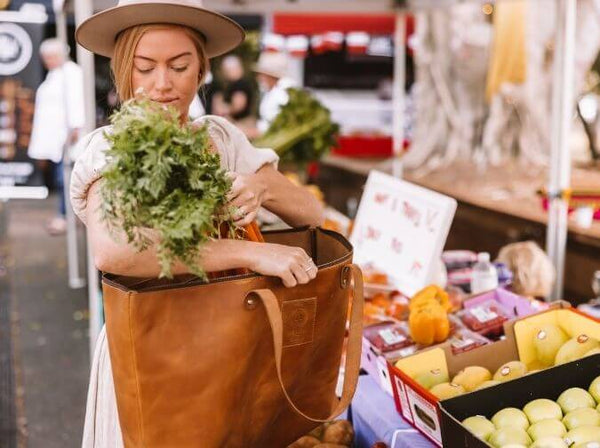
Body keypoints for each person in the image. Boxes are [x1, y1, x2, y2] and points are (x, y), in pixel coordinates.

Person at [72, 1, 324, 445]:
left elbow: (311, 213)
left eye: (180, 65)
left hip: (231, 349)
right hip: (151, 355)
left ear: (203, 69)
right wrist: (250, 251)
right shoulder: (111, 148)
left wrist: (261, 187)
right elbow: (115, 252)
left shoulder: (221, 139)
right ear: (123, 69)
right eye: (145, 68)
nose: (162, 84)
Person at [28, 38, 84, 235]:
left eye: (51, 56)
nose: (47, 61)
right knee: (62, 178)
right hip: (57, 139)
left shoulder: (72, 73)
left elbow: (77, 102)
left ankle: (66, 216)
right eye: (45, 58)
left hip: (68, 138)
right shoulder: (55, 74)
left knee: (66, 178)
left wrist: (74, 130)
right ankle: (65, 215)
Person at [253, 51, 296, 134]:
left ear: (271, 76)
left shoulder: (283, 93)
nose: (258, 78)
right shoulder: (272, 91)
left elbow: (277, 125)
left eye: (261, 74)